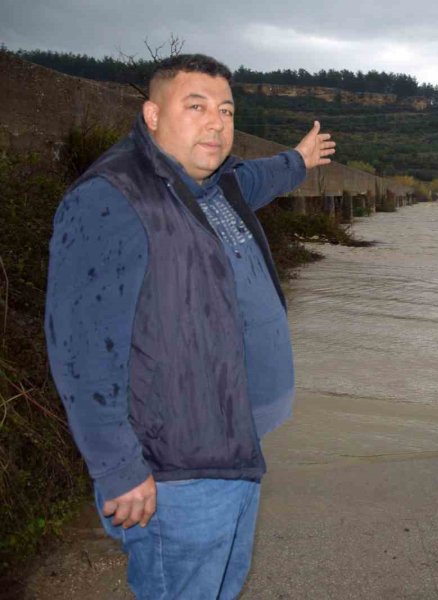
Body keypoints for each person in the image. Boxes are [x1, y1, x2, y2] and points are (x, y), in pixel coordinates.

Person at [44, 53, 335, 599]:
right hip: (175, 467)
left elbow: (257, 176)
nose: (216, 123)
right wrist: (117, 466)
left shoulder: (215, 186)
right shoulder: (113, 198)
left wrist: (298, 160)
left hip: (231, 446)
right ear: (152, 116)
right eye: (195, 106)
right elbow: (80, 349)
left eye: (225, 110)